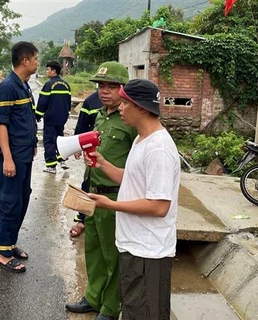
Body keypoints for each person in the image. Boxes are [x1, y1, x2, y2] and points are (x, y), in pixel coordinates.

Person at [87, 79, 180, 320]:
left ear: (141, 107)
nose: (120, 108)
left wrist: (111, 204)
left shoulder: (158, 149)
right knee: (132, 310)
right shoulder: (141, 140)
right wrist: (103, 164)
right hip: (133, 246)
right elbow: (134, 180)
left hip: (148, 252)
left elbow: (159, 206)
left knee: (144, 312)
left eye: (125, 103)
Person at [65, 61, 137, 320]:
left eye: (111, 86)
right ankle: (93, 297)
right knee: (93, 250)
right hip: (92, 191)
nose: (104, 91)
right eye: (101, 86)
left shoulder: (131, 120)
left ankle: (110, 306)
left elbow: (136, 162)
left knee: (113, 255)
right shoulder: (99, 115)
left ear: (123, 89)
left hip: (114, 195)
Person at [0, 41, 39, 273]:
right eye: (35, 58)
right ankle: (3, 254)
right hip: (13, 158)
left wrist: (34, 144)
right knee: (9, 203)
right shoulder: (7, 87)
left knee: (21, 200)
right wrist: (7, 157)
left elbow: (27, 120)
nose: (38, 62)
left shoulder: (23, 86)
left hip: (25, 156)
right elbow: (1, 124)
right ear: (25, 60)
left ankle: (10, 243)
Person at [0, 79, 36, 237]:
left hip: (19, 151)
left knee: (14, 194)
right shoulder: (6, 88)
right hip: (6, 149)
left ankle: (7, 238)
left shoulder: (25, 87)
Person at [69, 90, 102, 237]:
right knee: (88, 183)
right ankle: (82, 220)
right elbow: (82, 123)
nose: (106, 90)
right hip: (92, 152)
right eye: (102, 85)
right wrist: (77, 146)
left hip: (114, 155)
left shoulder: (124, 104)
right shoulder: (90, 101)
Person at [35, 61, 72, 174]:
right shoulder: (66, 85)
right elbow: (68, 103)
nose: (46, 72)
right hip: (62, 118)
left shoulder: (49, 85)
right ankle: (62, 160)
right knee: (60, 139)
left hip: (51, 118)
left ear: (53, 71)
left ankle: (51, 166)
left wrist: (38, 115)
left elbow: (43, 102)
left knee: (50, 140)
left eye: (48, 69)